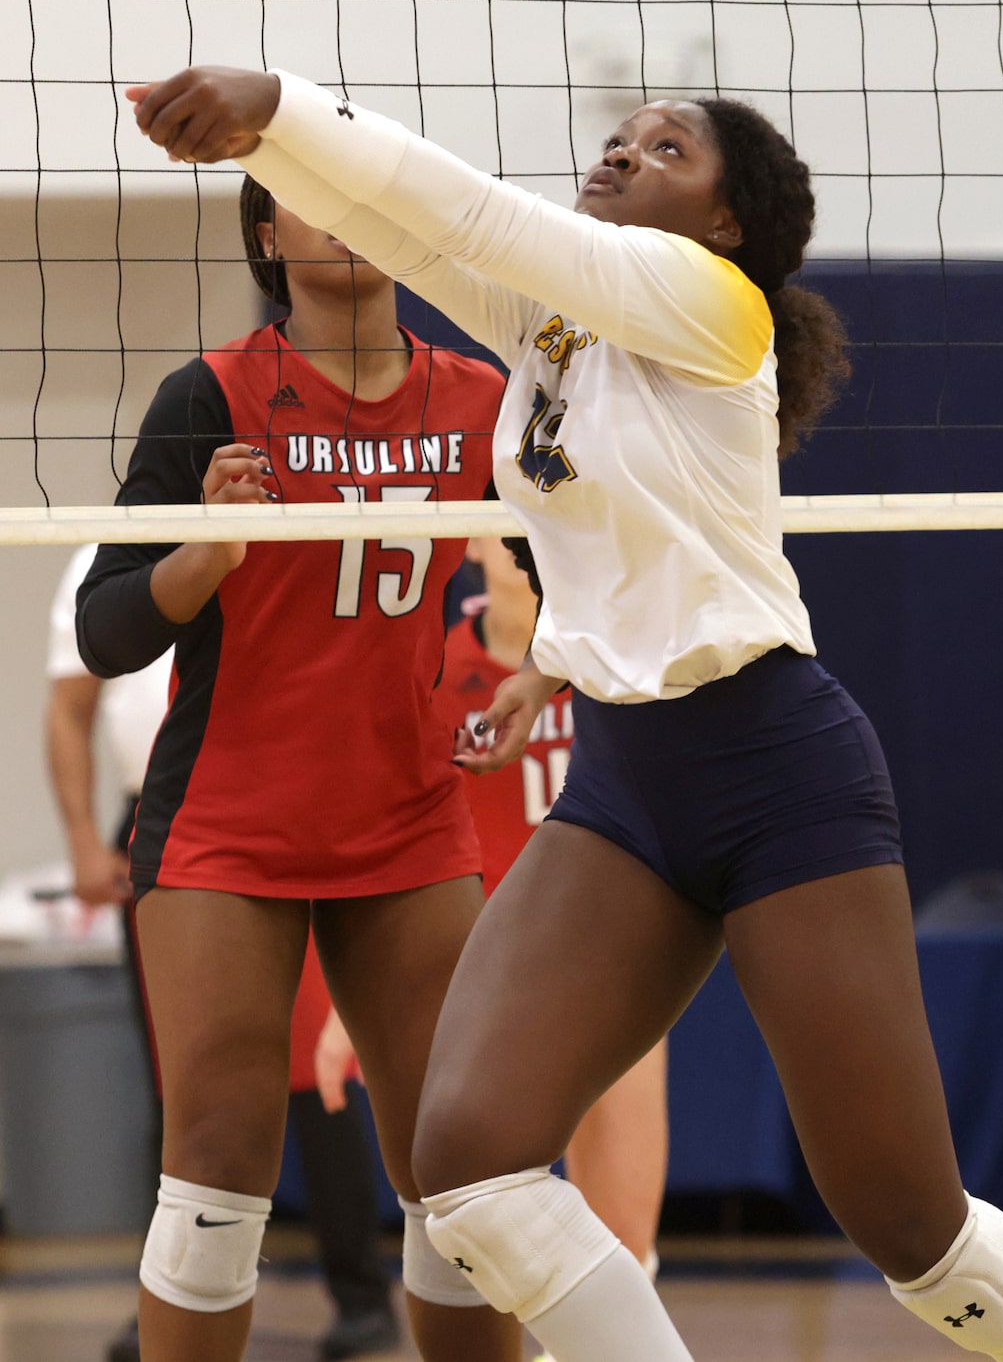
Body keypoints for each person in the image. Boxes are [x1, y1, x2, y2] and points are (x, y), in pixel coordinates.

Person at [127, 64, 1003, 1362]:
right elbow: (414, 232)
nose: (624, 150)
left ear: (726, 221)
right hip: (622, 788)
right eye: (621, 136)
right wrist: (266, 143)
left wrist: (279, 103)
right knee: (470, 1163)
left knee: (909, 1227)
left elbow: (470, 213)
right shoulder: (552, 323)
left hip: (773, 768)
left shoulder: (714, 304)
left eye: (669, 147)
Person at [75, 181, 522, 1362]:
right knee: (219, 1159)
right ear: (269, 235)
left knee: (460, 1167)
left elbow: (575, 580)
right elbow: (104, 631)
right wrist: (208, 552)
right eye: (312, 197)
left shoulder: (481, 398)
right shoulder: (209, 396)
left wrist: (544, 677)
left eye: (366, 192)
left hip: (409, 826)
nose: (346, 213)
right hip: (227, 829)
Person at [48, 550, 402, 1362]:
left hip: (282, 799)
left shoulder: (278, 528)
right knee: (183, 1082)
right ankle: (164, 1306)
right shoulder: (92, 558)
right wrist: (76, 838)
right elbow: (67, 707)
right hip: (164, 816)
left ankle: (361, 1296)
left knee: (321, 1074)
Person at [435, 537, 668, 1268]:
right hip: (494, 965)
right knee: (493, 1202)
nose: (522, 539)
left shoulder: (610, 652)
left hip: (612, 943)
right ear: (472, 539)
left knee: (626, 1223)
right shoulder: (435, 670)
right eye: (504, 521)